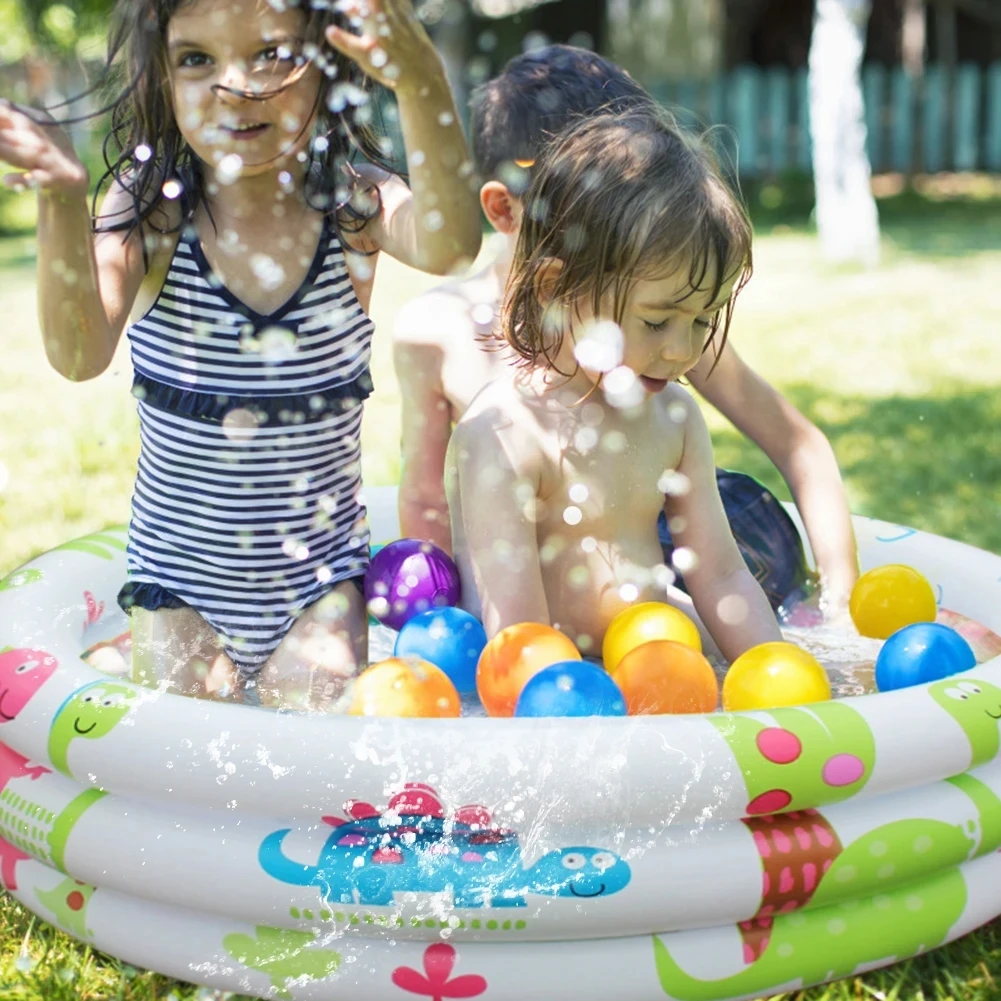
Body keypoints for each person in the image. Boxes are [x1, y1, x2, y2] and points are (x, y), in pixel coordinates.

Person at [0, 0, 481, 710]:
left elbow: (448, 242)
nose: (237, 85)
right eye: (197, 58)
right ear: (161, 78)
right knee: (188, 730)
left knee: (307, 716)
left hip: (317, 584)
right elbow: (78, 353)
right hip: (182, 579)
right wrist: (64, 199)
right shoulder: (152, 210)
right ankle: (131, 642)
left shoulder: (351, 202)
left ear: (328, 66)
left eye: (271, 54)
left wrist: (420, 81)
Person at [394, 45, 858, 620]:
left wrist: (839, 604)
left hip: (660, 560)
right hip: (522, 584)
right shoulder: (436, 331)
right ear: (503, 209)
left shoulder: (659, 322)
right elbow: (424, 502)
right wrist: (435, 624)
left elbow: (799, 446)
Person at [445, 105, 784, 664]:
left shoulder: (673, 417)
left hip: (648, 654)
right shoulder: (505, 434)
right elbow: (517, 633)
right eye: (656, 322)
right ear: (556, 287)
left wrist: (777, 676)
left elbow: (722, 575)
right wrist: (569, 698)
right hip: (547, 676)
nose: (682, 350)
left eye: (703, 320)